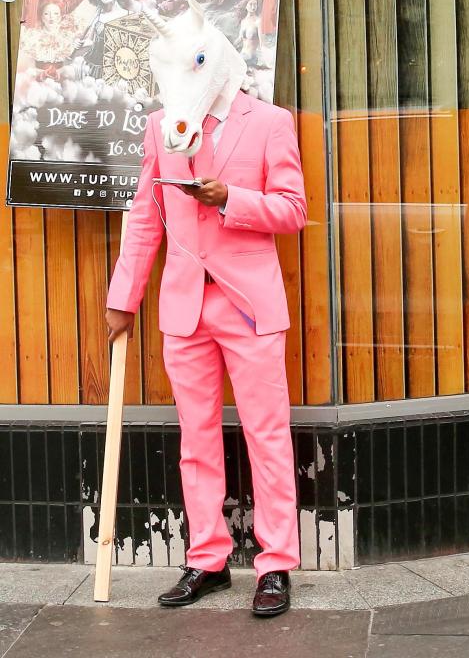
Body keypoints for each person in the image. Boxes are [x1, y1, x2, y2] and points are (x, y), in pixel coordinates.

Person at [103, 87, 307, 614]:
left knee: (267, 435)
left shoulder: (270, 120)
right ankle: (207, 559)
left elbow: (293, 209)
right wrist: (124, 297)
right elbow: (146, 216)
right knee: (196, 441)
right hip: (184, 307)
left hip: (250, 306)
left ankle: (276, 564)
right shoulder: (161, 125)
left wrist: (230, 199)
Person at [75, 0, 130, 78]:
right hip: (93, 68)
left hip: (118, 71)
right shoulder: (98, 16)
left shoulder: (129, 16)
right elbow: (90, 42)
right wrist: (77, 43)